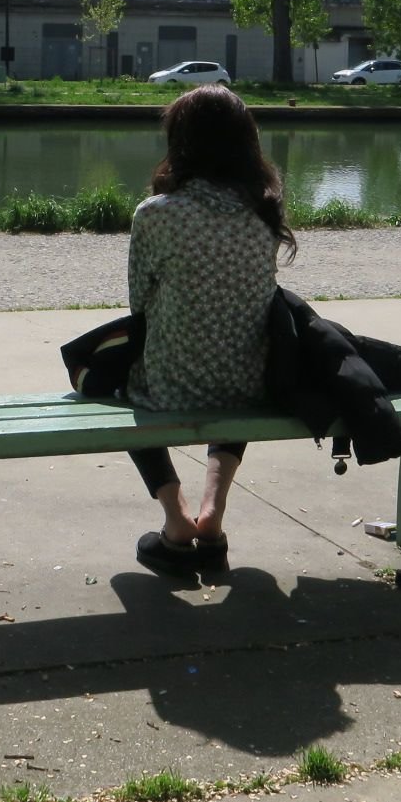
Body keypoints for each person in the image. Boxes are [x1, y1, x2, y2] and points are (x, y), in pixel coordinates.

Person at [123, 83, 295, 576]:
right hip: (249, 384)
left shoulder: (156, 215)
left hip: (171, 385)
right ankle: (212, 515)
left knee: (124, 389)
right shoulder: (264, 209)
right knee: (236, 369)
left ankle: (177, 521)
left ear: (181, 143)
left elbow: (140, 304)